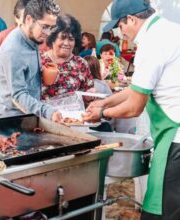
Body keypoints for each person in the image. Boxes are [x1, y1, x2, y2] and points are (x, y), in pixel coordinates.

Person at [82, 0, 180, 219]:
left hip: (176, 140)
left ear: (132, 19)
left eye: (121, 25)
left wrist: (102, 114)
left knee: (161, 211)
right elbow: (137, 88)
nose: (120, 32)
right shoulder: (169, 30)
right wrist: (104, 102)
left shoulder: (152, 42)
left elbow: (135, 106)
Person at [0, 0, 62, 121]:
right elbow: (18, 95)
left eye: (51, 28)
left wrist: (42, 73)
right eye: (45, 27)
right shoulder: (13, 50)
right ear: (29, 19)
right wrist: (48, 112)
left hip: (27, 116)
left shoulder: (31, 38)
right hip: (10, 122)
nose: (48, 33)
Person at [41, 14, 94, 100]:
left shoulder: (81, 64)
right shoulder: (40, 61)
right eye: (62, 38)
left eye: (71, 39)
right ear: (53, 39)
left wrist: (90, 95)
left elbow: (88, 93)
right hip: (43, 113)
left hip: (72, 112)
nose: (66, 43)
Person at [0, 0, 31, 110]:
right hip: (7, 103)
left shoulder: (41, 40)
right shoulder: (3, 37)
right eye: (24, 17)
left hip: (32, 103)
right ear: (16, 17)